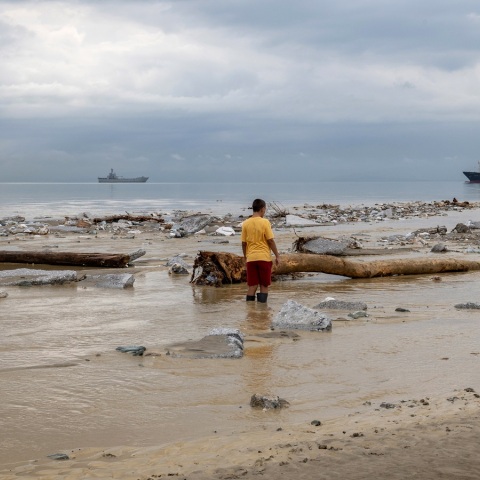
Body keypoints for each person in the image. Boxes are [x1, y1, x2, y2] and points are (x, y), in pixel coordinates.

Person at [241, 198, 280, 303]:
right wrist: (277, 256)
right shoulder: (265, 222)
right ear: (262, 209)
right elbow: (270, 240)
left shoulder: (246, 223)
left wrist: (245, 257)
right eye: (265, 210)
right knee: (264, 285)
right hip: (264, 258)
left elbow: (244, 243)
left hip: (251, 259)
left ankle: (250, 310)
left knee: (252, 286)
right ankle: (262, 310)